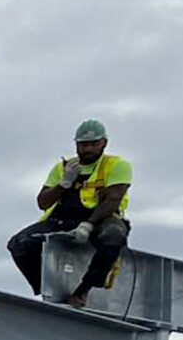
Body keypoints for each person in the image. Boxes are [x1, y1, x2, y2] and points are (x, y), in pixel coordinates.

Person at [7, 119, 133, 307]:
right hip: (63, 219)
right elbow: (43, 202)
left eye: (93, 144)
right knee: (20, 244)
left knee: (113, 236)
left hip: (101, 218)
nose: (87, 149)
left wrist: (89, 224)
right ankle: (48, 290)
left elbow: (112, 199)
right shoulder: (63, 167)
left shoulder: (116, 165)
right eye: (83, 145)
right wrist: (64, 183)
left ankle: (83, 291)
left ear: (104, 143)